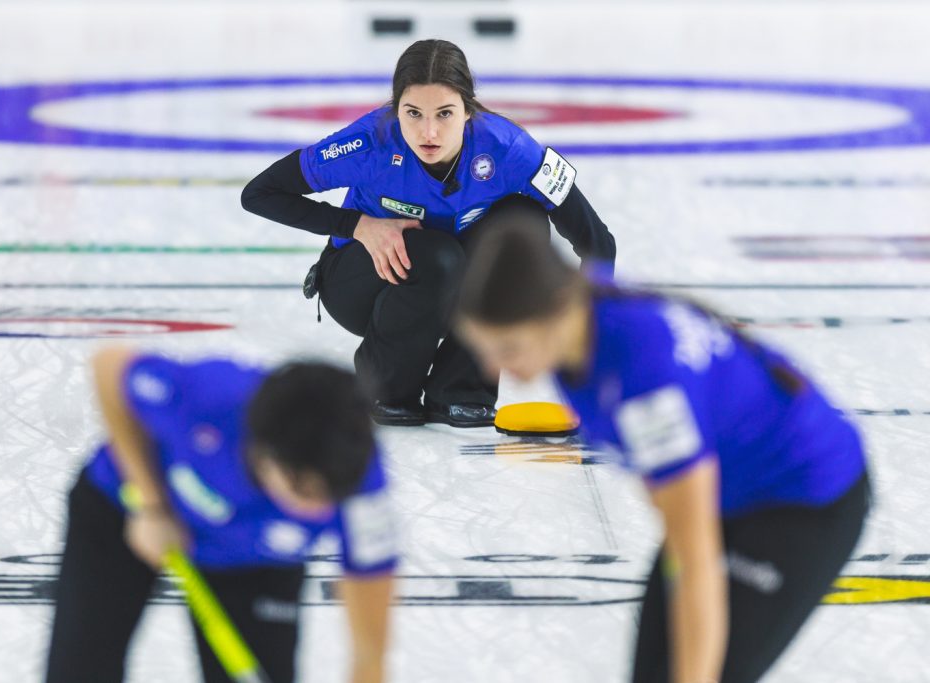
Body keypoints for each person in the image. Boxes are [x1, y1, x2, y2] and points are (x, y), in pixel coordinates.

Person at [454, 225, 870, 683]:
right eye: (482, 349)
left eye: (508, 348)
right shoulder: (580, 315)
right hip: (733, 485)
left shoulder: (645, 384)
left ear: (555, 312)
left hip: (804, 500)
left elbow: (693, 560)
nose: (493, 369)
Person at [241, 38, 616, 428]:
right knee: (437, 256)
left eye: (445, 113)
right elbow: (260, 193)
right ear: (395, 110)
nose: (429, 132)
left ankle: (461, 390)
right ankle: (384, 387)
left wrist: (591, 330)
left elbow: (597, 241)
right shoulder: (370, 142)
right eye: (413, 113)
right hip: (363, 286)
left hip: (453, 289)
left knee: (524, 223)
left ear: (468, 111)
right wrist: (358, 225)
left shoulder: (507, 149)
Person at [45, 348, 396, 683]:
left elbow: (369, 651)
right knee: (82, 668)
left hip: (254, 558)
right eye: (303, 491)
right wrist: (152, 506)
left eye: (334, 496)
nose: (320, 511)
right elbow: (110, 366)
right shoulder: (208, 398)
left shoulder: (361, 485)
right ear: (263, 452)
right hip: (126, 512)